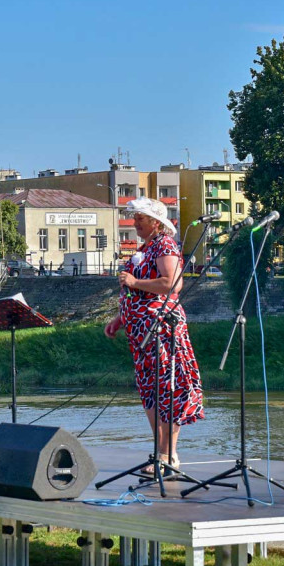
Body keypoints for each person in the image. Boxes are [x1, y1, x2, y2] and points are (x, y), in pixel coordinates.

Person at [104, 197, 204, 473]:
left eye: (140, 219)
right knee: (150, 390)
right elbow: (139, 293)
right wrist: (120, 319)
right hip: (141, 333)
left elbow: (171, 284)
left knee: (167, 388)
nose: (135, 223)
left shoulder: (165, 245)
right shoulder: (147, 247)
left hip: (162, 328)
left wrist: (134, 281)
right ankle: (160, 453)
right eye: (135, 218)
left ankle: (168, 455)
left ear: (156, 223)